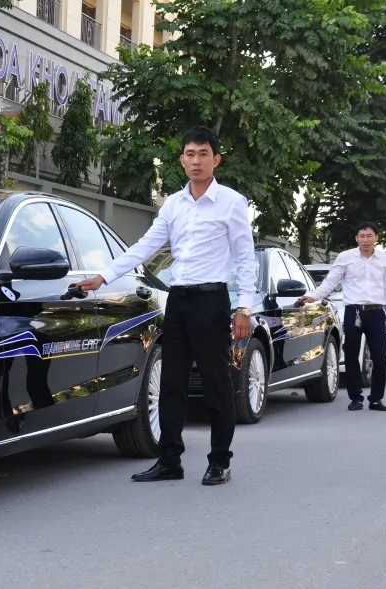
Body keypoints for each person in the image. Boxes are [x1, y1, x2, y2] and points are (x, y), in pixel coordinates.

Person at [74, 126, 256, 486]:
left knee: (217, 384)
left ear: (215, 159)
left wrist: (244, 308)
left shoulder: (232, 203)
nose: (196, 160)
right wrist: (103, 277)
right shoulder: (173, 204)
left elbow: (245, 258)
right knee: (172, 383)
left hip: (212, 301)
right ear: (181, 159)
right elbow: (144, 246)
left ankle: (220, 460)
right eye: (190, 153)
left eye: (203, 154)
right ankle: (170, 459)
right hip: (179, 302)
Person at [299, 222, 386, 412]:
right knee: (351, 354)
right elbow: (330, 282)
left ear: (376, 238)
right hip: (354, 311)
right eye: (362, 236)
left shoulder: (385, 260)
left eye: (369, 236)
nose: (365, 240)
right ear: (356, 238)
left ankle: (376, 398)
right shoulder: (346, 258)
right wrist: (313, 296)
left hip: (376, 312)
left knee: (380, 356)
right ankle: (356, 397)